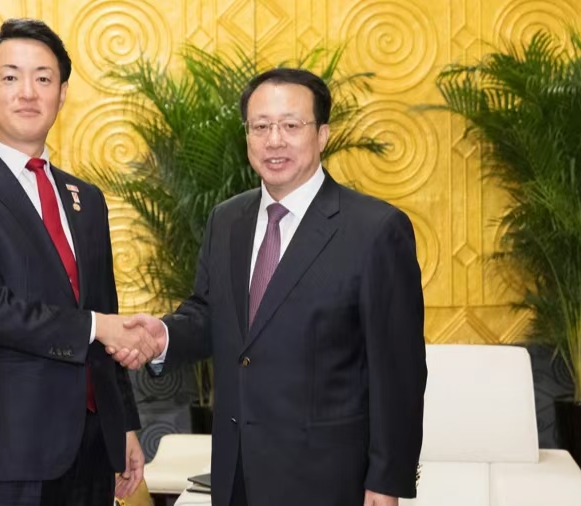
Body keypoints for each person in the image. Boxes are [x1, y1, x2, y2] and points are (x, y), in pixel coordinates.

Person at [115, 68, 427, 506]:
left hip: (330, 480)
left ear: (322, 134)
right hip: (236, 473)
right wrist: (162, 336)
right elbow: (210, 314)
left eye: (290, 125)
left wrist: (387, 480)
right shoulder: (227, 220)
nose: (274, 140)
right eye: (260, 126)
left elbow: (399, 371)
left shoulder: (375, 229)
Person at [0, 18, 158, 506]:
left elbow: (105, 312)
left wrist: (126, 426)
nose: (28, 92)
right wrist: (96, 327)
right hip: (9, 450)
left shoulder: (86, 198)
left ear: (63, 92)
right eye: (11, 77)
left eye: (44, 78)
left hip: (94, 448)